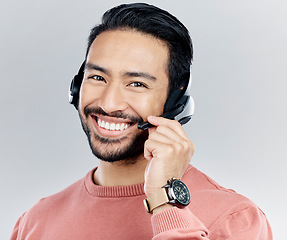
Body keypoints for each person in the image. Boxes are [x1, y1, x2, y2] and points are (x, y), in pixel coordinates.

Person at [11, 3, 272, 239]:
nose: (109, 103)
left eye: (137, 83)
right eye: (97, 78)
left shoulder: (234, 220)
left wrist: (165, 200)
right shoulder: (35, 223)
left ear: (174, 101)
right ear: (76, 87)